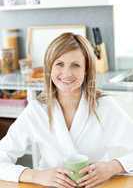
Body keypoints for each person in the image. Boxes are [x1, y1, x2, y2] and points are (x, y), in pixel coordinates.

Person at [0, 32, 133, 188]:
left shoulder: (105, 106)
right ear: (49, 68)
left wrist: (112, 167)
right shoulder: (37, 110)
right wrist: (35, 175)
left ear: (86, 70)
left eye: (75, 65)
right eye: (59, 64)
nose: (67, 73)